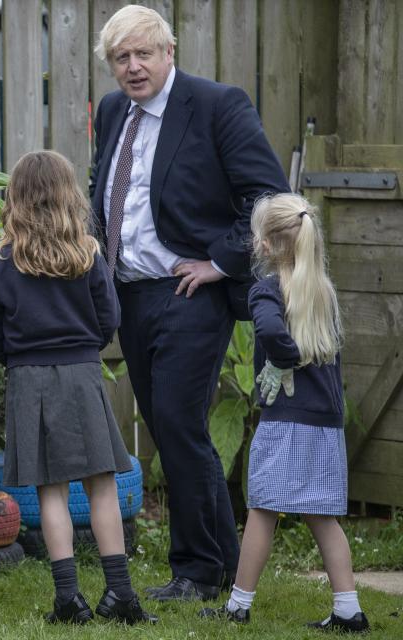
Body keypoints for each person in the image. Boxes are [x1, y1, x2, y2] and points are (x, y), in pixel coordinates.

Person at [89, 4, 290, 601]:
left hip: (191, 293)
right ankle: (222, 564)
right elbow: (109, 192)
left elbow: (269, 195)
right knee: (167, 427)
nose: (133, 67)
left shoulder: (215, 105)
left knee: (178, 423)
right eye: (121, 58)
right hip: (130, 295)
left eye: (143, 53)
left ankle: (197, 571)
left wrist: (219, 261)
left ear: (168, 52)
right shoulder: (110, 111)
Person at [0, 150, 157, 625]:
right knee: (101, 484)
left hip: (28, 379)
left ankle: (68, 601)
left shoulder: (1, 261)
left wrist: (20, 360)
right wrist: (81, 350)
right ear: (68, 195)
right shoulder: (88, 254)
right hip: (81, 374)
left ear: (15, 197)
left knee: (51, 491)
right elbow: (108, 321)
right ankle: (120, 594)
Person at [201, 194, 368, 632]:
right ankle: (349, 609)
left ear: (267, 245)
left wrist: (283, 358)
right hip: (324, 423)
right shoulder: (323, 292)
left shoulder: (267, 289)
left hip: (286, 422)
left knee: (261, 508)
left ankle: (238, 605)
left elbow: (273, 332)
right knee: (321, 516)